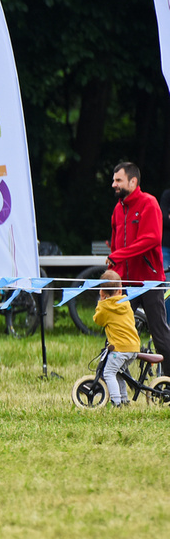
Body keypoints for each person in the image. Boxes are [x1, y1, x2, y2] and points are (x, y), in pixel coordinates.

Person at [108, 161, 170, 375]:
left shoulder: (149, 203)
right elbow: (116, 242)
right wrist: (113, 264)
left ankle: (168, 381)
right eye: (114, 180)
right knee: (116, 333)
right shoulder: (118, 209)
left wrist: (117, 255)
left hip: (150, 282)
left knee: (160, 335)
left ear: (133, 181)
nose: (113, 184)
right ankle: (112, 381)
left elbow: (151, 239)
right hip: (125, 283)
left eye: (118, 180)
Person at [93, 270, 140, 407]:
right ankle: (124, 399)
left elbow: (98, 320)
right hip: (133, 347)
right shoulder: (126, 303)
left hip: (120, 349)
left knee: (108, 373)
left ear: (102, 293)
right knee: (119, 373)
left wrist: (100, 302)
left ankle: (116, 402)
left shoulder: (106, 306)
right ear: (120, 289)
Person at [159, 187, 170, 321]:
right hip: (166, 247)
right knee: (167, 287)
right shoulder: (167, 194)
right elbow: (163, 219)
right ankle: (166, 324)